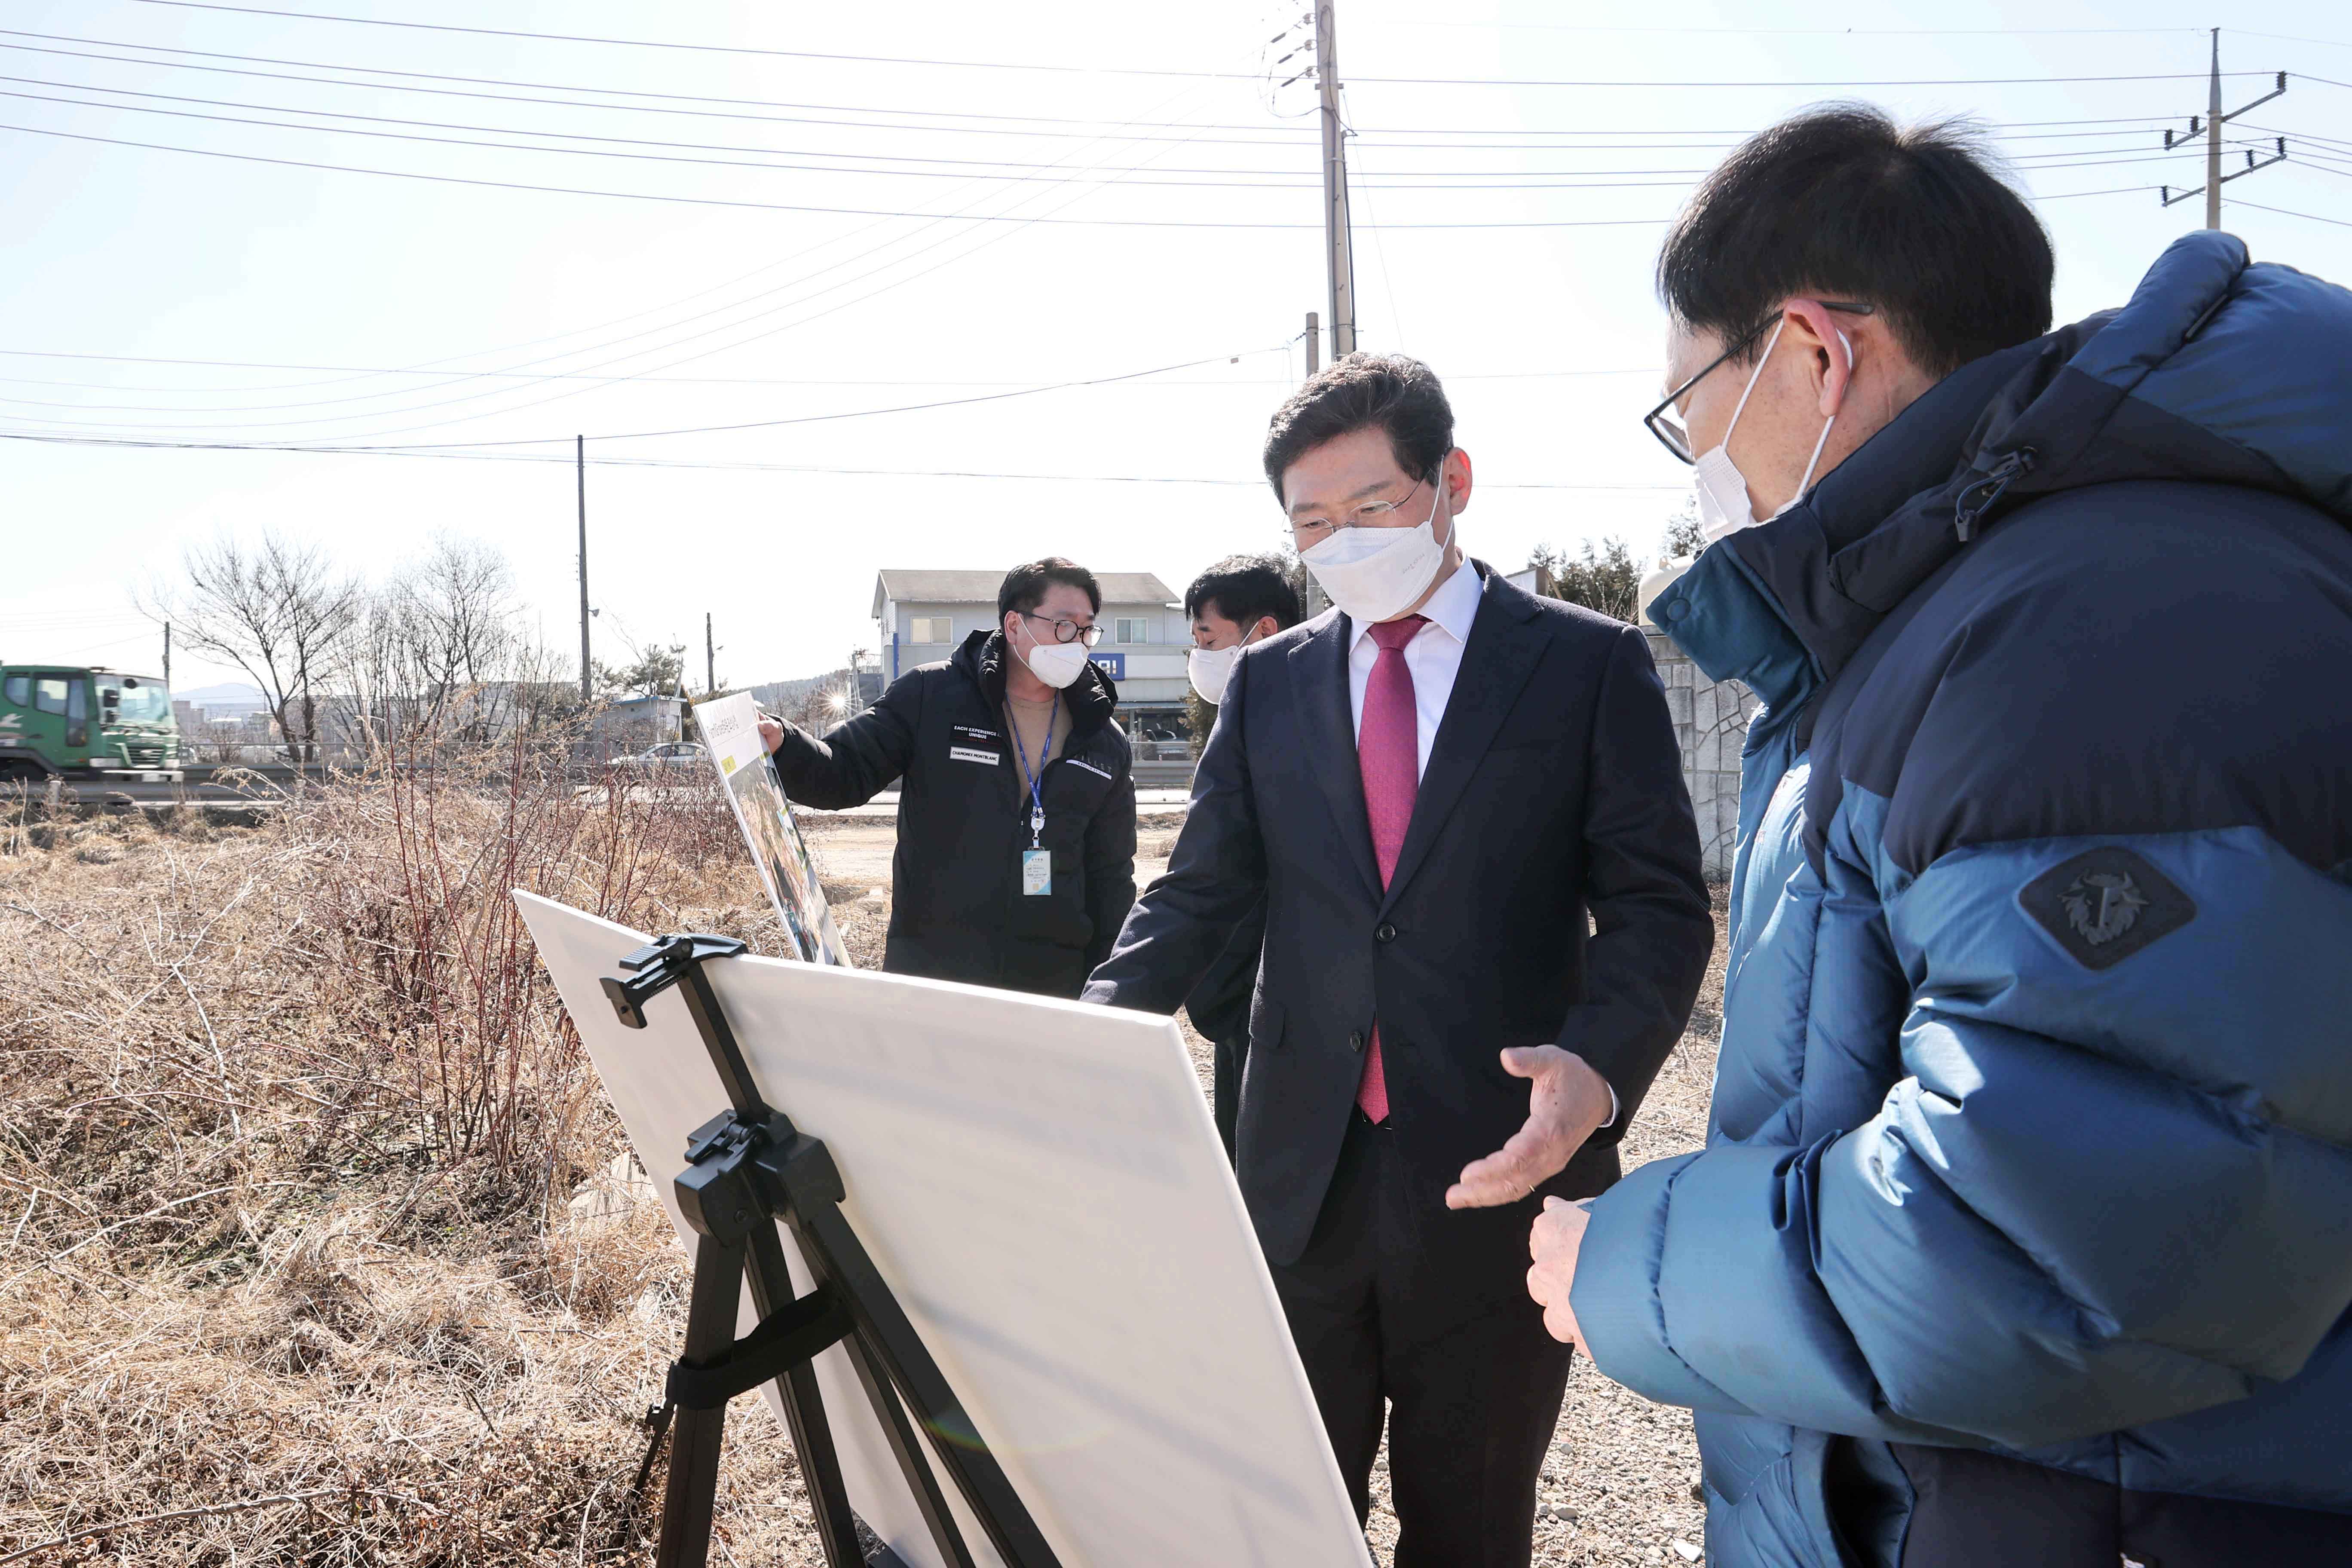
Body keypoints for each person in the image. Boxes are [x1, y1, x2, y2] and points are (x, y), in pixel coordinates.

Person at [1531, 107, 2352, 1568]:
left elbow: (2064, 1243)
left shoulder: (2090, 624)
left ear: (1811, 352)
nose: (1695, 462)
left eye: (1691, 405)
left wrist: (1634, 1260)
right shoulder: (1968, 608)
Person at [1083, 355, 1713, 1565]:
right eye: (1312, 523)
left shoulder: (1582, 667)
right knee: (1277, 1516)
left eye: (1370, 508)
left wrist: (1599, 1069)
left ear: (1450, 484)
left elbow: (1657, 907)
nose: (1343, 542)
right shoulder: (1271, 683)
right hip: (1297, 1178)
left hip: (1495, 1171)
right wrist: (1095, 1028)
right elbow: (1205, 888)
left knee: (1470, 1522)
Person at [757, 557, 1136, 999]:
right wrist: (784, 744)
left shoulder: (1103, 739)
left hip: (1051, 987)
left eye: (1088, 629)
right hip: (933, 974)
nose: (1078, 642)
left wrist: (1110, 992)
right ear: (1015, 626)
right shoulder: (931, 696)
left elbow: (1112, 878)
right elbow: (844, 770)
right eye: (1064, 625)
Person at [1179, 551, 1304, 1158]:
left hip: (1279, 1010)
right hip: (1238, 1010)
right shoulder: (1241, 719)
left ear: (1266, 632)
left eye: (1208, 637)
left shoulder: (1305, 730)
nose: (1198, 654)